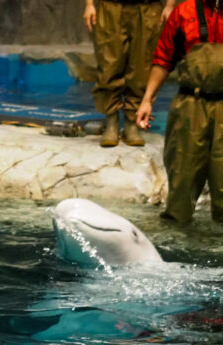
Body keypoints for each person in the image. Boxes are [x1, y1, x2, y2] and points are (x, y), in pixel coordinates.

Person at [136, 0, 223, 223]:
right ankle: (175, 242)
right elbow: (163, 58)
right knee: (183, 178)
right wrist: (147, 99)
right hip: (190, 106)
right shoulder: (185, 12)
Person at [85, 0, 175, 147]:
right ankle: (111, 121)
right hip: (110, 6)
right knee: (108, 62)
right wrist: (89, 4)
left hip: (148, 7)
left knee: (143, 65)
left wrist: (170, 5)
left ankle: (132, 122)